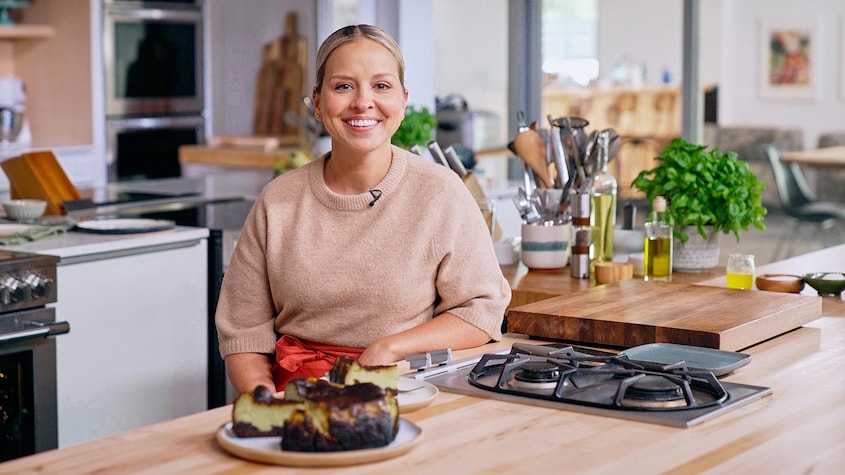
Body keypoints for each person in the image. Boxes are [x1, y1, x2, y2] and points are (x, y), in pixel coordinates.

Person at [215, 24, 511, 395]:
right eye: (343, 86)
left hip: (406, 393)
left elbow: (481, 311)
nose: (362, 102)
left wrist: (392, 346)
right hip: (298, 396)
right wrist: (265, 402)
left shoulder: (440, 192)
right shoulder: (277, 201)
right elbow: (244, 334)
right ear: (318, 102)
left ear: (403, 101)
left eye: (381, 86)